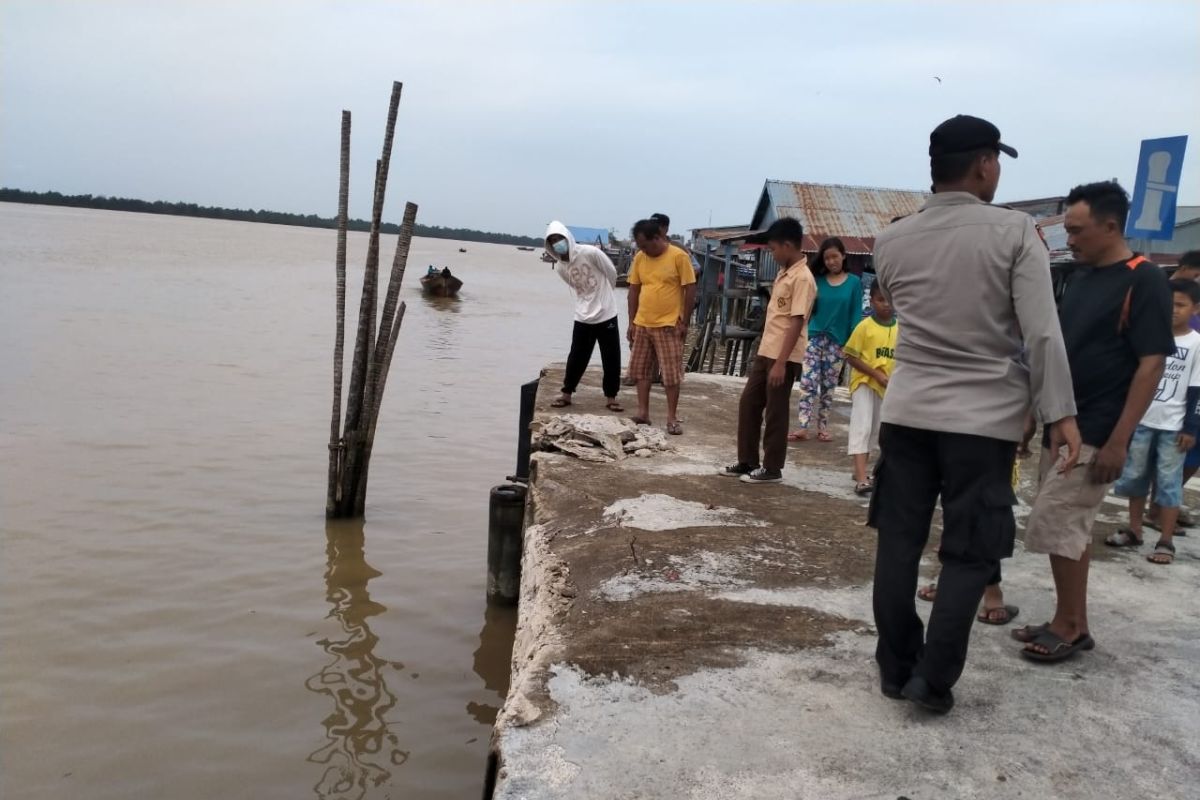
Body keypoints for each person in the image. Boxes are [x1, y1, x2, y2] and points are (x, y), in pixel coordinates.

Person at [870, 114, 1080, 714]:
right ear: (986, 164)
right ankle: (931, 680)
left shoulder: (892, 239)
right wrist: (1059, 412)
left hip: (907, 413)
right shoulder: (1016, 232)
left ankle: (896, 667)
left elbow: (907, 310)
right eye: (997, 162)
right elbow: (1042, 334)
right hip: (983, 422)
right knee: (969, 551)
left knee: (899, 541)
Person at [1015, 180, 1172, 661]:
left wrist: (1119, 442)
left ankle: (1068, 625)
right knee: (1069, 528)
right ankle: (1072, 620)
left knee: (1056, 521)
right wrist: (1032, 415)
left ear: (1110, 225)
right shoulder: (1078, 277)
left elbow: (1151, 364)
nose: (1072, 240)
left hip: (1099, 428)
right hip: (1061, 421)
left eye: (1079, 231)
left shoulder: (1143, 278)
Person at [1103, 279, 1200, 565]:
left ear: (1195, 308)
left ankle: (1166, 540)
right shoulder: (1149, 338)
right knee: (1135, 477)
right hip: (1141, 422)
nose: (1173, 311)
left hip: (1173, 427)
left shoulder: (1196, 344)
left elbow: (1197, 389)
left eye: (1180, 305)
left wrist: (1191, 428)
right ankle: (1134, 529)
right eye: (1169, 305)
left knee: (1169, 483)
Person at [720, 218, 816, 483]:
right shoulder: (784, 272)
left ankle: (772, 467)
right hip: (768, 349)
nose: (772, 255)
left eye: (773, 249)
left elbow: (797, 321)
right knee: (749, 403)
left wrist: (781, 363)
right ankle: (747, 460)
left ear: (787, 245)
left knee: (776, 410)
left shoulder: (803, 278)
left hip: (783, 355)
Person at [544, 221, 623, 412]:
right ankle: (566, 393)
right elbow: (575, 287)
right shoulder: (562, 267)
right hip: (583, 315)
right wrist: (588, 302)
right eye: (553, 241)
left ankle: (611, 397)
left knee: (611, 357)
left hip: (606, 314)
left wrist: (605, 297)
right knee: (577, 356)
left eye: (559, 239)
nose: (557, 244)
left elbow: (611, 272)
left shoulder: (590, 252)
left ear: (567, 237)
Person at [1146, 249, 1200, 532]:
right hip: (1174, 392)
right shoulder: (1164, 293)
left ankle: (1165, 505)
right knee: (1173, 452)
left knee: (1186, 453)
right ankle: (1160, 509)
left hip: (1193, 384)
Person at [627, 219, 697, 434]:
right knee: (641, 371)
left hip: (668, 324)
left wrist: (684, 321)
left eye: (646, 245)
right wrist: (631, 322)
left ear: (657, 238)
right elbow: (634, 290)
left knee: (671, 374)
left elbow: (690, 289)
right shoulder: (640, 258)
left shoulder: (678, 256)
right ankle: (643, 412)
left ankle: (672, 417)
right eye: (640, 247)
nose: (643, 250)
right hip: (642, 323)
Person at [790, 237, 862, 442]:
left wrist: (851, 344)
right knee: (808, 382)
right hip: (814, 338)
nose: (831, 261)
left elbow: (856, 315)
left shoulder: (854, 283)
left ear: (843, 256)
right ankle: (803, 426)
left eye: (835, 257)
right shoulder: (817, 281)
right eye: (827, 258)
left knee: (828, 387)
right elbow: (808, 309)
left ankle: (822, 427)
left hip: (837, 343)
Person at [842, 281, 897, 495]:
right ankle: (862, 478)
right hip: (865, 382)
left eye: (889, 300)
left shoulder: (899, 329)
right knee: (862, 425)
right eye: (880, 300)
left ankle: (861, 471)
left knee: (876, 430)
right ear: (872, 300)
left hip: (886, 387)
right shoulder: (864, 327)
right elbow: (850, 355)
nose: (886, 305)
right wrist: (875, 373)